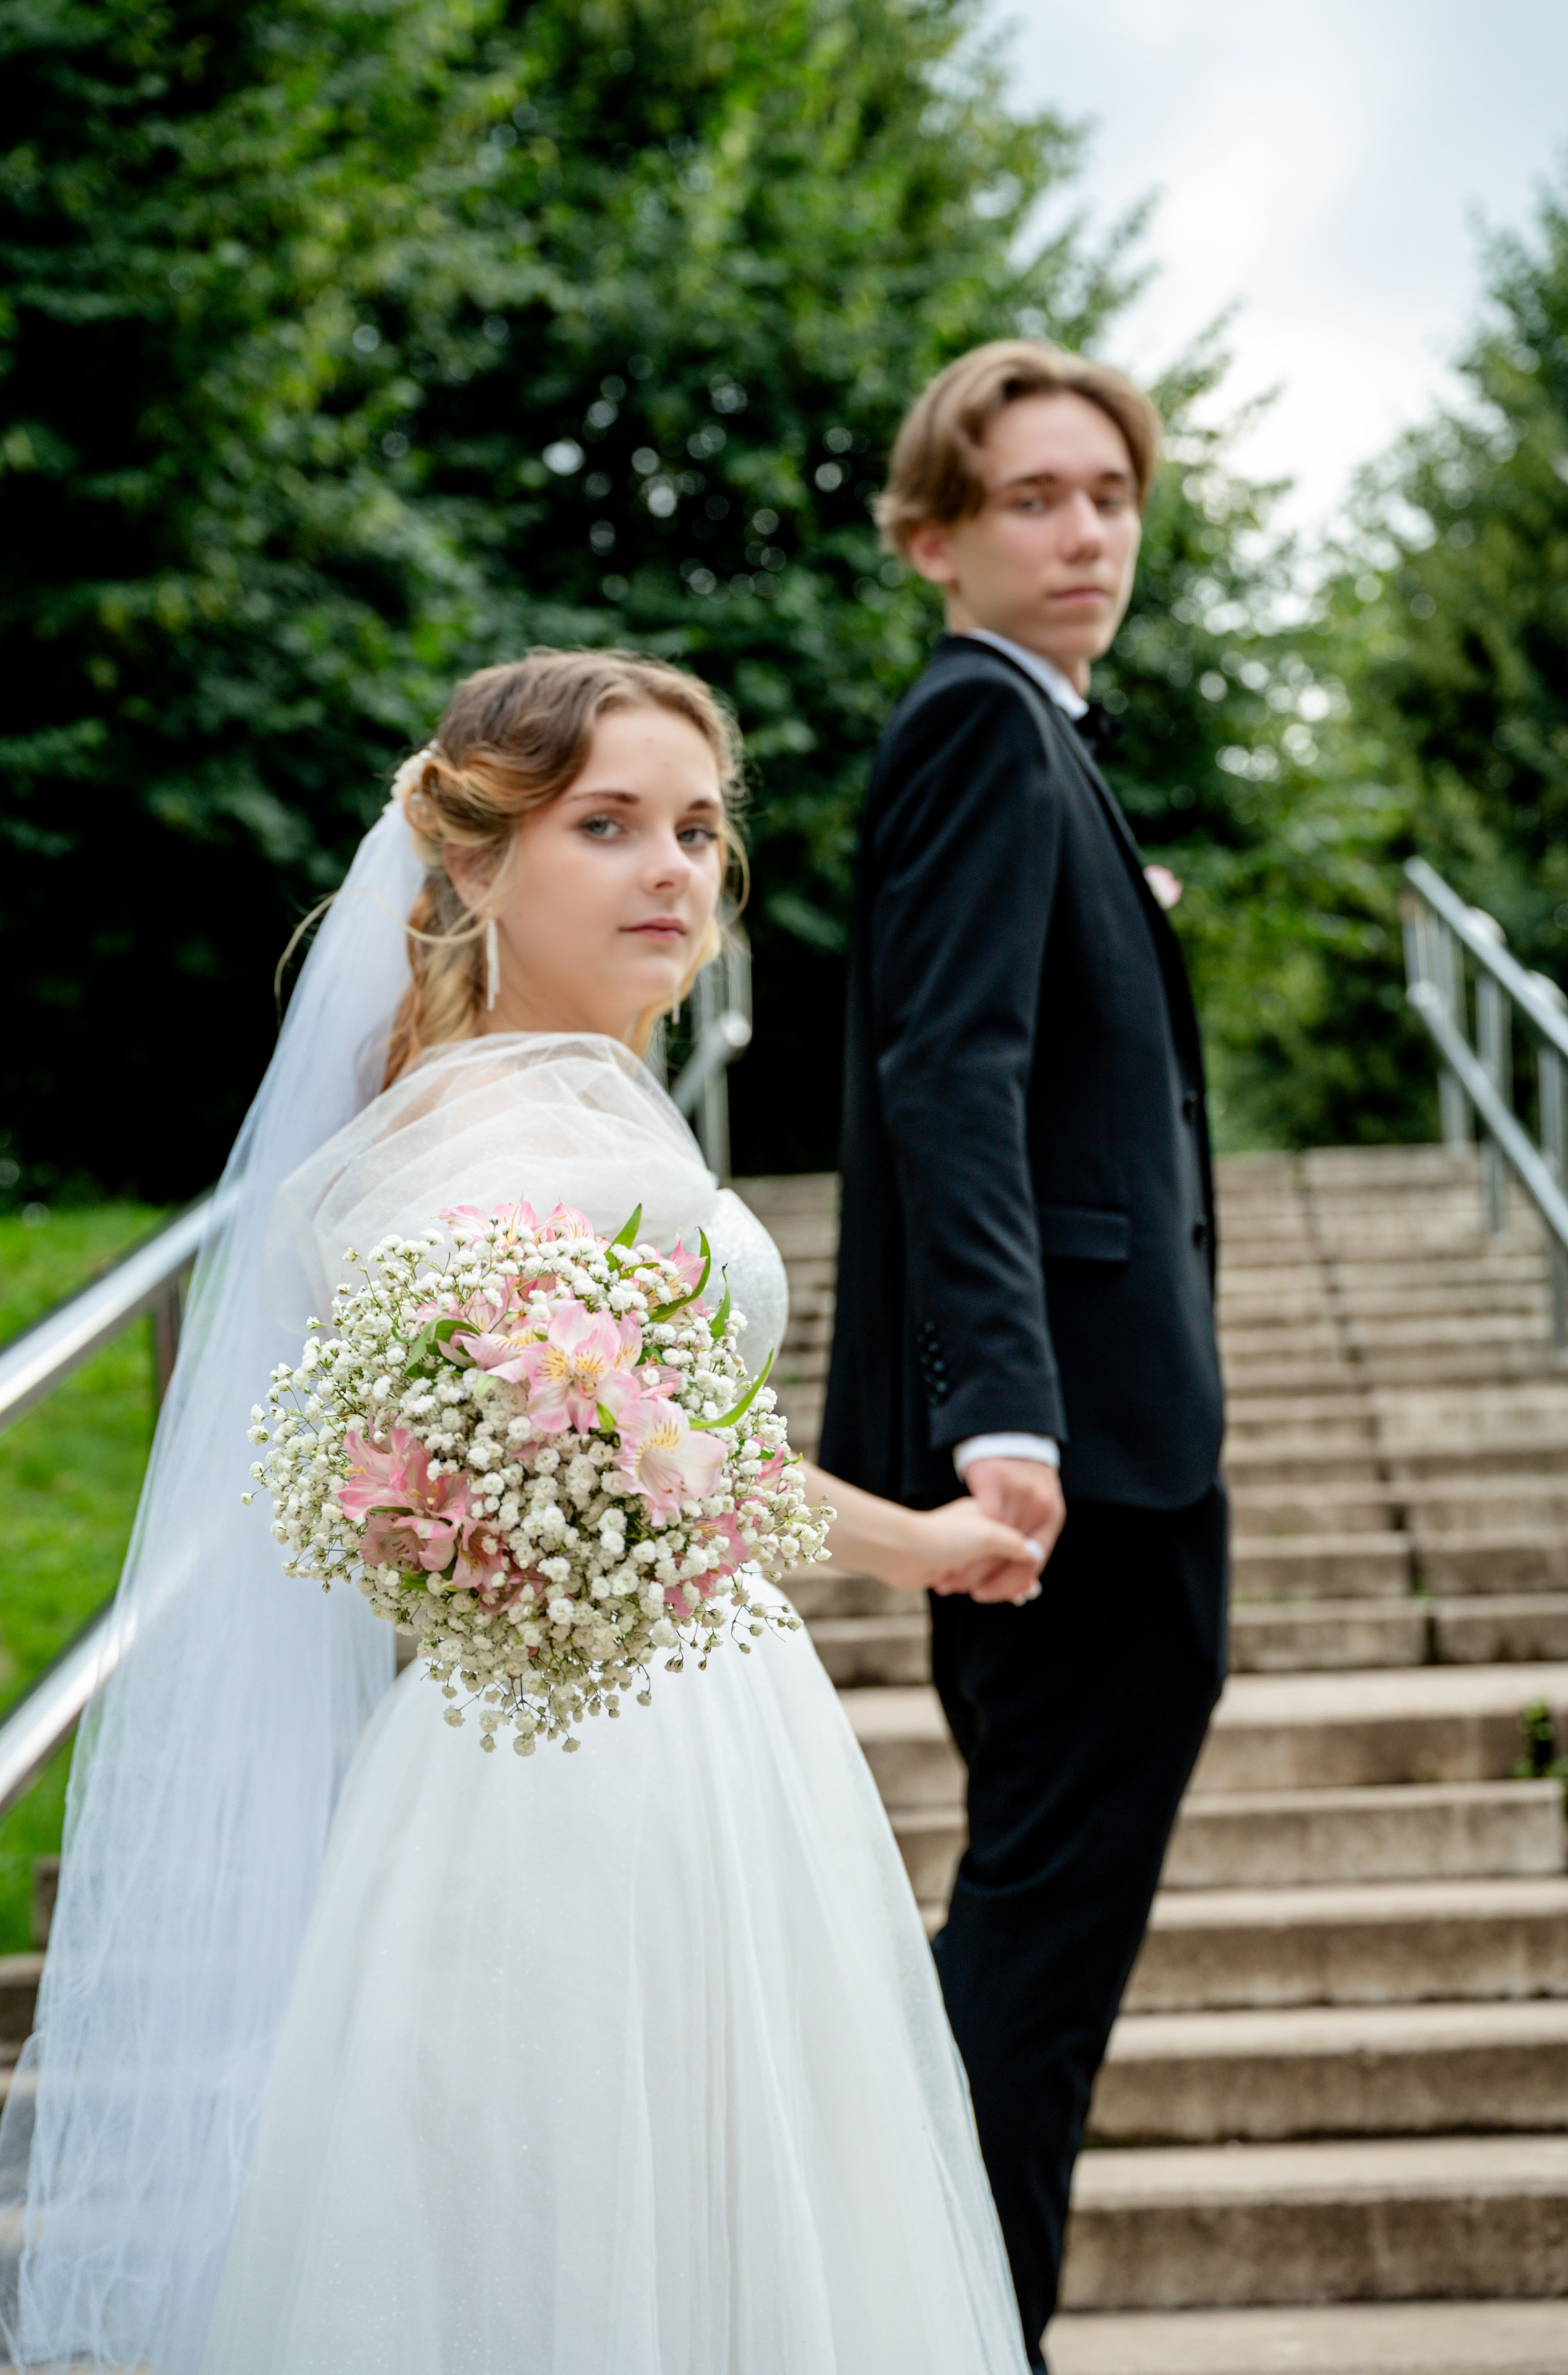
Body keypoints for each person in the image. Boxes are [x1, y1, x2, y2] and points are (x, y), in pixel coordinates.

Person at [1, 648, 1045, 2375]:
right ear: (472, 861)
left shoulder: (571, 1099)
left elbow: (676, 1464)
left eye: (700, 831)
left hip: (704, 1731)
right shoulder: (482, 1142)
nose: (673, 870)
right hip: (588, 1770)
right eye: (610, 824)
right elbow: (630, 1479)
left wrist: (926, 1540)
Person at [820, 342, 1228, 2369]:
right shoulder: (983, 727)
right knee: (1041, 1948)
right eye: (1034, 500)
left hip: (1110, 1428)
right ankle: (968, 2338)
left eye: (1109, 494)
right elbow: (950, 1073)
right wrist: (999, 1410)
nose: (1086, 533)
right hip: (1063, 1456)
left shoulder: (1047, 732)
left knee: (1043, 1934)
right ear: (934, 539)